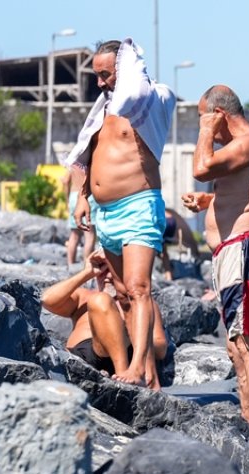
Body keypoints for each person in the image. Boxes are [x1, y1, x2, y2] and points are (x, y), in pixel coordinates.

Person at [64, 38, 175, 387]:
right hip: (105, 212)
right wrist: (84, 197)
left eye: (106, 74)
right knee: (123, 293)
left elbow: (135, 86)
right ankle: (150, 375)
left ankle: (139, 368)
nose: (100, 83)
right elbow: (86, 158)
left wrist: (129, 57)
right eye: (96, 75)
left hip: (138, 205)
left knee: (140, 288)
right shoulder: (103, 112)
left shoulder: (149, 102)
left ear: (124, 68)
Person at [181, 85, 249, 439]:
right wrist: (209, 201)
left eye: (203, 118)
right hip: (233, 253)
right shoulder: (244, 150)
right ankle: (248, 417)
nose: (202, 125)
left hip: (247, 252)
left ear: (218, 114)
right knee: (236, 343)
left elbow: (202, 167)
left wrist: (205, 131)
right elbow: (243, 193)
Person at [41, 250, 168, 390]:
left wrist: (129, 335)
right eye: (102, 269)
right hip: (83, 355)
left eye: (113, 270)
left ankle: (123, 375)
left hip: (128, 354)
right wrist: (86, 273)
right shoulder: (84, 296)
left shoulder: (140, 306)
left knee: (100, 300)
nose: (107, 276)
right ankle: (123, 377)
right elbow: (47, 300)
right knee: (100, 300)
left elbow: (160, 347)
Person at [62, 166, 96, 266]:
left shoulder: (73, 164)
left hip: (73, 196)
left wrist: (67, 199)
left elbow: (65, 181)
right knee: (89, 234)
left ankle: (70, 263)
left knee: (74, 234)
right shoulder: (89, 161)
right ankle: (87, 264)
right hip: (87, 195)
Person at [159, 208, 201, 280]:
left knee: (155, 250)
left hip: (164, 221)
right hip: (170, 220)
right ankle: (169, 276)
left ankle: (168, 275)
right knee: (163, 251)